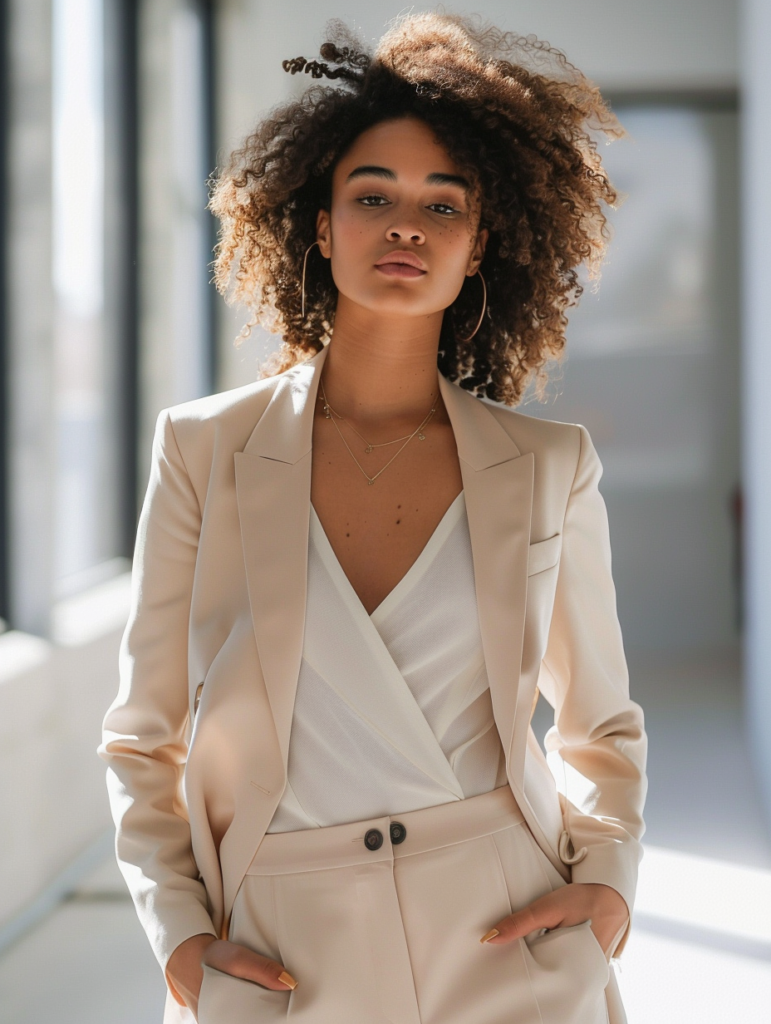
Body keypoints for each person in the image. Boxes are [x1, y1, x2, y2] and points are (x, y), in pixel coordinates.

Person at [100, 12, 647, 1024]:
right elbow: (142, 737)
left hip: (510, 928)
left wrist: (607, 887)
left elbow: (600, 723)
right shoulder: (204, 450)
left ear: (480, 242)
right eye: (374, 196)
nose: (408, 226)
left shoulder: (547, 467)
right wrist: (181, 939)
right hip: (281, 948)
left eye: (444, 205)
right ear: (320, 223)